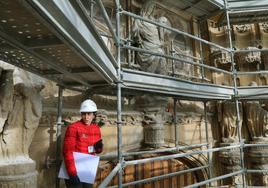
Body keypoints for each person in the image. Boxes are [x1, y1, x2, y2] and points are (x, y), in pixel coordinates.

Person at [63, 99, 103, 188]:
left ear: (94, 115)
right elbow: (68, 152)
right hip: (74, 170)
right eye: (84, 113)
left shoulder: (96, 129)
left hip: (88, 168)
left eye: (89, 114)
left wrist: (99, 148)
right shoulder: (73, 128)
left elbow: (96, 150)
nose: (86, 117)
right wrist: (72, 173)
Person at [132, 0, 168, 74]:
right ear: (146, 8)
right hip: (147, 45)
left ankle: (159, 76)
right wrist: (138, 35)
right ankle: (150, 73)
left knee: (160, 53)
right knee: (159, 53)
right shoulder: (139, 19)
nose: (151, 10)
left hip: (157, 44)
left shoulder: (154, 21)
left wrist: (162, 22)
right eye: (149, 8)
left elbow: (161, 29)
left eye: (152, 8)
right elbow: (134, 31)